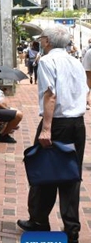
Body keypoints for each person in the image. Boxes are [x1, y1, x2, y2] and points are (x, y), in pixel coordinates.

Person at [17, 25, 89, 243]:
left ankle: (38, 220)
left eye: (41, 38)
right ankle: (71, 230)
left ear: (46, 41)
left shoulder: (47, 61)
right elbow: (85, 91)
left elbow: (50, 95)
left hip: (56, 123)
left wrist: (46, 128)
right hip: (77, 124)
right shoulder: (74, 61)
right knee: (70, 176)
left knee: (43, 171)